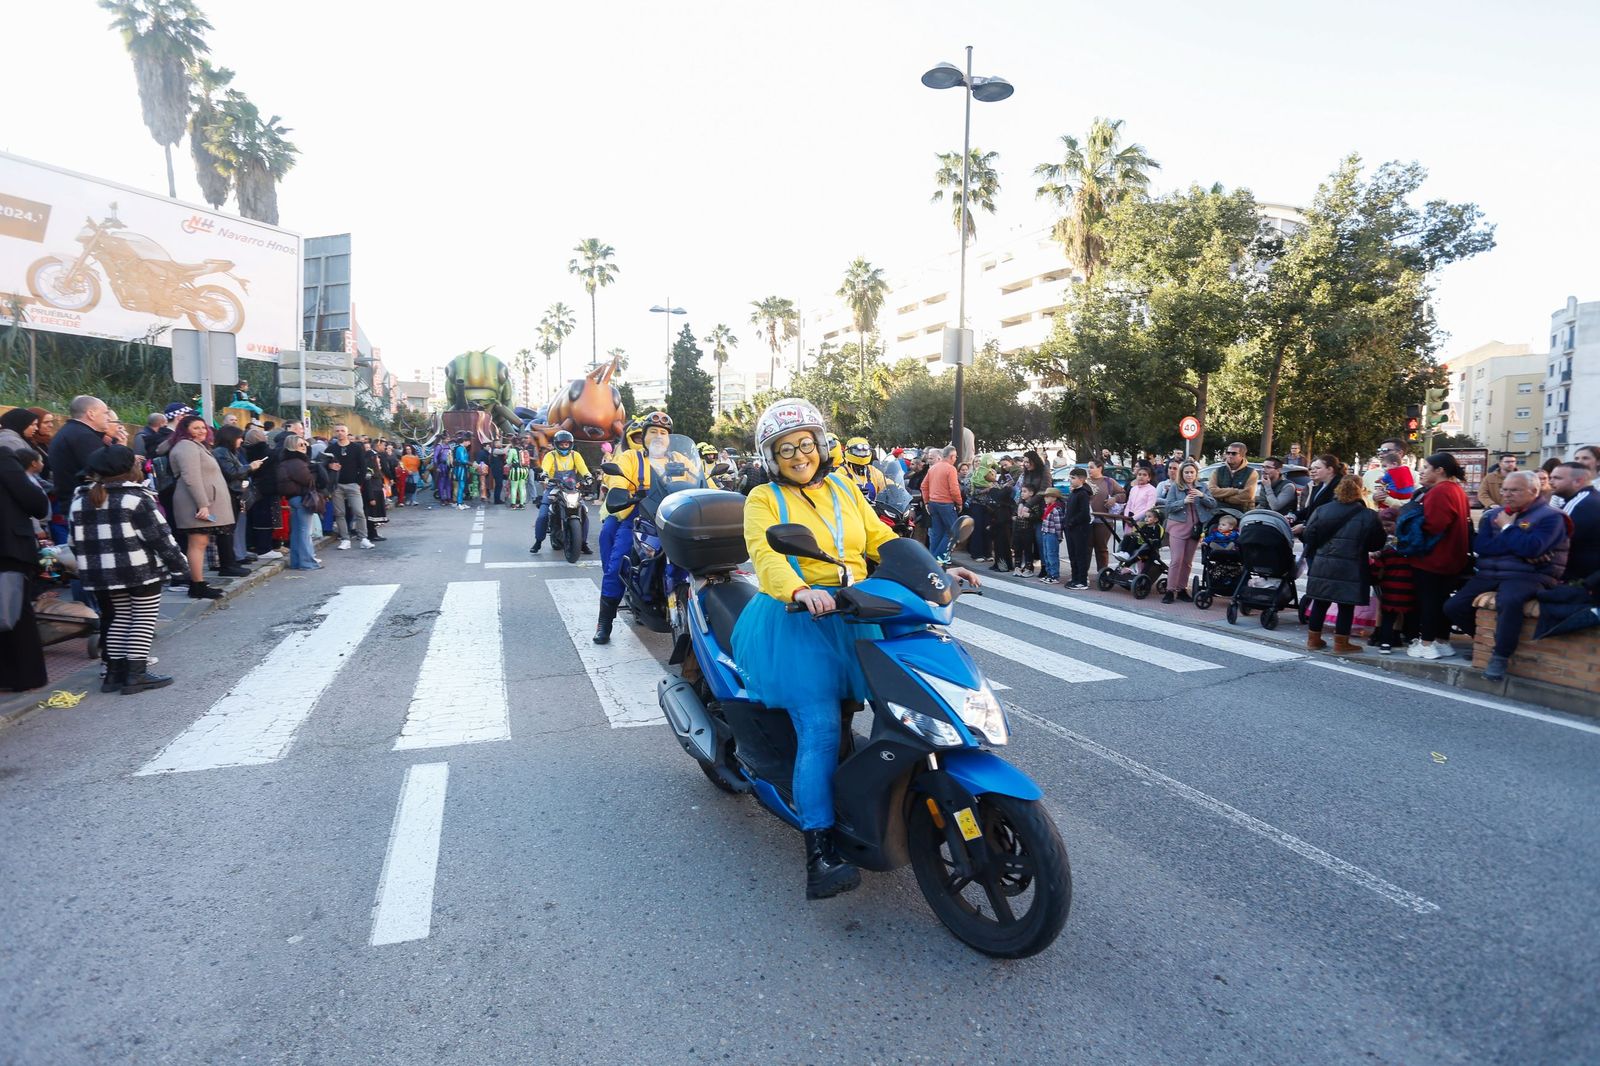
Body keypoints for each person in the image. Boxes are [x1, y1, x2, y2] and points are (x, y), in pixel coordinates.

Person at [731, 398, 979, 899]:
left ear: (821, 446)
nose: (799, 455)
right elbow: (766, 554)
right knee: (821, 729)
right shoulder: (763, 500)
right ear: (771, 457)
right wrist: (799, 590)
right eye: (786, 449)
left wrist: (935, 570)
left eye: (806, 444)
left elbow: (882, 539)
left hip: (855, 613)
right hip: (800, 622)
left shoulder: (845, 486)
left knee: (902, 703)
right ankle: (820, 850)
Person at [68, 446, 187, 693]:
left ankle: (114, 674)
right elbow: (160, 538)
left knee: (120, 618)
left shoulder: (80, 499)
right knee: (143, 618)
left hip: (100, 573)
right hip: (139, 569)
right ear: (129, 468)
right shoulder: (136, 499)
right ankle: (136, 675)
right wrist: (180, 566)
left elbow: (73, 542)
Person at [1444, 471, 1569, 680]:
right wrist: (1518, 546)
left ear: (1534, 491)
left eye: (1515, 490)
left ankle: (1500, 656)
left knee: (1510, 601)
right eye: (1505, 490)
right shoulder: (1493, 515)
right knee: (1453, 606)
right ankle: (1484, 641)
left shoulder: (1552, 517)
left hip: (1531, 576)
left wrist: (1508, 528)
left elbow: (1533, 548)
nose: (1507, 494)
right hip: (1489, 573)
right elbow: (1482, 546)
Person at [1300, 475, 1386, 654]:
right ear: (1359, 492)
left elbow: (1309, 537)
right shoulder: (1369, 515)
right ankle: (1341, 643)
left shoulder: (1322, 510)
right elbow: (1376, 543)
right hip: (1352, 565)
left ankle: (1313, 640)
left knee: (1320, 602)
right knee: (1346, 605)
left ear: (1337, 490)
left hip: (1323, 562)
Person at [1406, 452, 1472, 661]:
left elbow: (1433, 525)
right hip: (1453, 556)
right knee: (1441, 600)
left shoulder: (1439, 491)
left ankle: (1426, 644)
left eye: (1426, 467)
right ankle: (1442, 641)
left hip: (1433, 557)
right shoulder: (1457, 490)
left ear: (1439, 470)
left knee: (1428, 602)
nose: (1422, 472)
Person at [163, 414, 232, 600]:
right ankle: (197, 584)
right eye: (196, 428)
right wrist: (203, 504)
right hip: (195, 503)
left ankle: (198, 583)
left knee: (200, 542)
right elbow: (191, 477)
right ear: (185, 430)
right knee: (197, 543)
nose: (201, 431)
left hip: (202, 502)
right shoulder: (186, 446)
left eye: (203, 427)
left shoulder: (195, 446)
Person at [0, 444, 50, 691]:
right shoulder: (3, 456)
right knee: (15, 613)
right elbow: (35, 501)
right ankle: (24, 677)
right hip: (7, 548)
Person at [1156, 459, 1216, 603]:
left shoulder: (1202, 487)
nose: (1189, 475)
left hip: (1195, 528)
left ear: (1196, 474)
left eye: (1192, 472)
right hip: (1177, 526)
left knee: (1187, 561)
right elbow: (1168, 507)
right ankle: (1170, 590)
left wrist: (1202, 496)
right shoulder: (1176, 487)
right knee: (1176, 560)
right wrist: (1183, 502)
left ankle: (1182, 589)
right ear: (1182, 474)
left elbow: (1213, 504)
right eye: (1186, 472)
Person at [47, 395, 113, 525]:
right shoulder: (83, 437)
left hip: (75, 504)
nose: (108, 418)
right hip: (87, 507)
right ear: (91, 414)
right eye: (105, 413)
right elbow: (104, 471)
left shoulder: (69, 432)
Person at [531, 429, 591, 555]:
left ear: (571, 444)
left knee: (584, 512)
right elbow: (545, 468)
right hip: (553, 488)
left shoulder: (576, 455)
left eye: (567, 444)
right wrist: (544, 475)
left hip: (571, 488)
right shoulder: (550, 455)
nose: (564, 446)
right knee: (543, 515)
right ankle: (538, 541)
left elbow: (583, 469)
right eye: (562, 444)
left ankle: (583, 543)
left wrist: (588, 476)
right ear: (556, 444)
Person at [209, 425, 255, 578]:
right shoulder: (221, 452)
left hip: (233, 493)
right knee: (226, 531)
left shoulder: (229, 452)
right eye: (239, 437)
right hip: (227, 494)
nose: (241, 440)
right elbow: (231, 472)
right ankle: (227, 564)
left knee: (229, 530)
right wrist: (250, 467)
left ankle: (230, 562)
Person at [322, 424, 373, 549]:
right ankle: (345, 539)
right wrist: (329, 467)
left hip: (352, 484)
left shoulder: (356, 448)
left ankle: (363, 538)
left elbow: (363, 466)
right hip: (336, 485)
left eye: (342, 431)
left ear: (347, 432)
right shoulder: (330, 449)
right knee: (339, 513)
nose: (340, 433)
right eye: (337, 431)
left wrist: (358, 482)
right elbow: (323, 466)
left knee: (359, 511)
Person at [276, 433, 322, 570]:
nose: (304, 447)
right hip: (301, 498)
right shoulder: (297, 462)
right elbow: (308, 480)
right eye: (301, 444)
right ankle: (307, 562)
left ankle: (297, 561)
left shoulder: (286, 462)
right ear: (293, 446)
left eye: (305, 444)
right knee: (304, 532)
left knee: (297, 531)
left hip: (293, 499)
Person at [1550, 461, 1599, 583]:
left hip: (1577, 577)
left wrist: (1509, 526)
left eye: (1557, 478)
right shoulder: (1592, 498)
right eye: (1551, 477)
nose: (1551, 482)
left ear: (1578, 481)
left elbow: (1552, 539)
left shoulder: (1579, 503)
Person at [922, 446, 962, 565]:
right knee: (953, 532)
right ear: (951, 456)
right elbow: (954, 489)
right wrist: (959, 502)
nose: (955, 459)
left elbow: (924, 486)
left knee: (936, 533)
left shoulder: (933, 468)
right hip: (946, 503)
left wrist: (927, 502)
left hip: (933, 503)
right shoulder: (951, 469)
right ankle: (938, 557)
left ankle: (932, 559)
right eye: (955, 457)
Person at [1084, 459, 1125, 570]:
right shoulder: (1085, 482)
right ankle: (1083, 574)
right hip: (1087, 520)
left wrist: (1114, 499)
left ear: (1100, 468)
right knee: (1086, 548)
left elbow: (1123, 494)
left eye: (1091, 467)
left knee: (1101, 548)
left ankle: (1102, 573)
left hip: (1104, 520)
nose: (1089, 469)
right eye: (1088, 467)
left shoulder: (1109, 481)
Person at [1063, 468, 1093, 590]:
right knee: (1073, 555)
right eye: (1070, 477)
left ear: (1082, 479)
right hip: (1071, 529)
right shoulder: (1074, 492)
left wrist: (1072, 522)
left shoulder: (1083, 493)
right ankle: (1075, 577)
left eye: (1073, 478)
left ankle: (1082, 580)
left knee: (1080, 555)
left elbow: (1084, 513)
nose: (1071, 480)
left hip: (1079, 529)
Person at [1209, 442, 1258, 512]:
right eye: (1228, 453)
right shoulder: (1217, 471)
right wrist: (1236, 491)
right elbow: (1211, 491)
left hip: (1242, 512)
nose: (1230, 455)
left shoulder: (1251, 473)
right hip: (1219, 510)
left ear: (1242, 456)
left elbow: (1248, 495)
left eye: (1234, 453)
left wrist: (1223, 498)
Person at [842, 437, 885, 504]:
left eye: (865, 451)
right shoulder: (842, 471)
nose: (862, 454)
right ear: (848, 451)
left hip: (874, 510)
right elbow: (838, 491)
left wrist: (895, 487)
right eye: (857, 451)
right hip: (851, 510)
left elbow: (885, 482)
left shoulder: (872, 470)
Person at [1038, 486, 1064, 584]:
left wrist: (1059, 536)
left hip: (1052, 534)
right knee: (1046, 554)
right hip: (1045, 533)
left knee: (1052, 554)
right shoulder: (1047, 508)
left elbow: (1058, 525)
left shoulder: (1056, 510)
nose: (1045, 498)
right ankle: (1048, 574)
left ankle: (1054, 575)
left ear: (1054, 498)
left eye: (1047, 496)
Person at [1013, 484, 1040, 576]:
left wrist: (1029, 516)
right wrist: (1014, 517)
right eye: (1022, 491)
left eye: (1025, 491)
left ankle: (1029, 568)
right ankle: (1017, 566)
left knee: (1028, 549)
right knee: (1017, 549)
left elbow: (1038, 516)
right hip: (1017, 529)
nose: (1022, 494)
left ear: (1031, 493)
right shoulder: (1020, 504)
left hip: (1028, 530)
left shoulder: (1033, 505)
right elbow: (1014, 513)